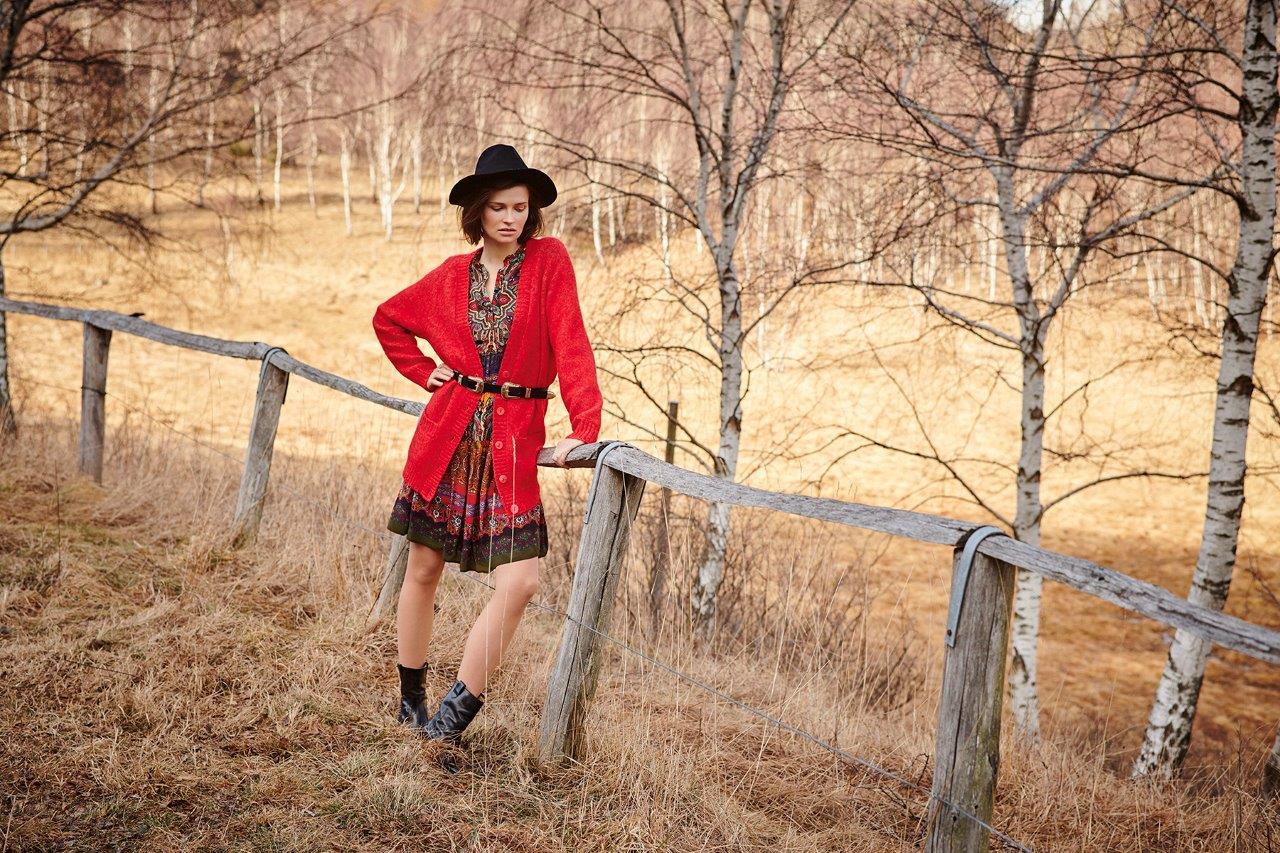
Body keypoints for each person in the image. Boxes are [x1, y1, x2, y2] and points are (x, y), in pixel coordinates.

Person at [371, 143, 603, 758]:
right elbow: (389, 319)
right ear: (478, 211)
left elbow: (571, 341)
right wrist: (422, 372)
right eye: (499, 207)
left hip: (512, 444)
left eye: (519, 207)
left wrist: (585, 426)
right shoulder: (452, 276)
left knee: (520, 581)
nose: (510, 218)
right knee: (424, 568)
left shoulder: (549, 262)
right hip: (448, 437)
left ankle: (450, 720)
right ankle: (411, 704)